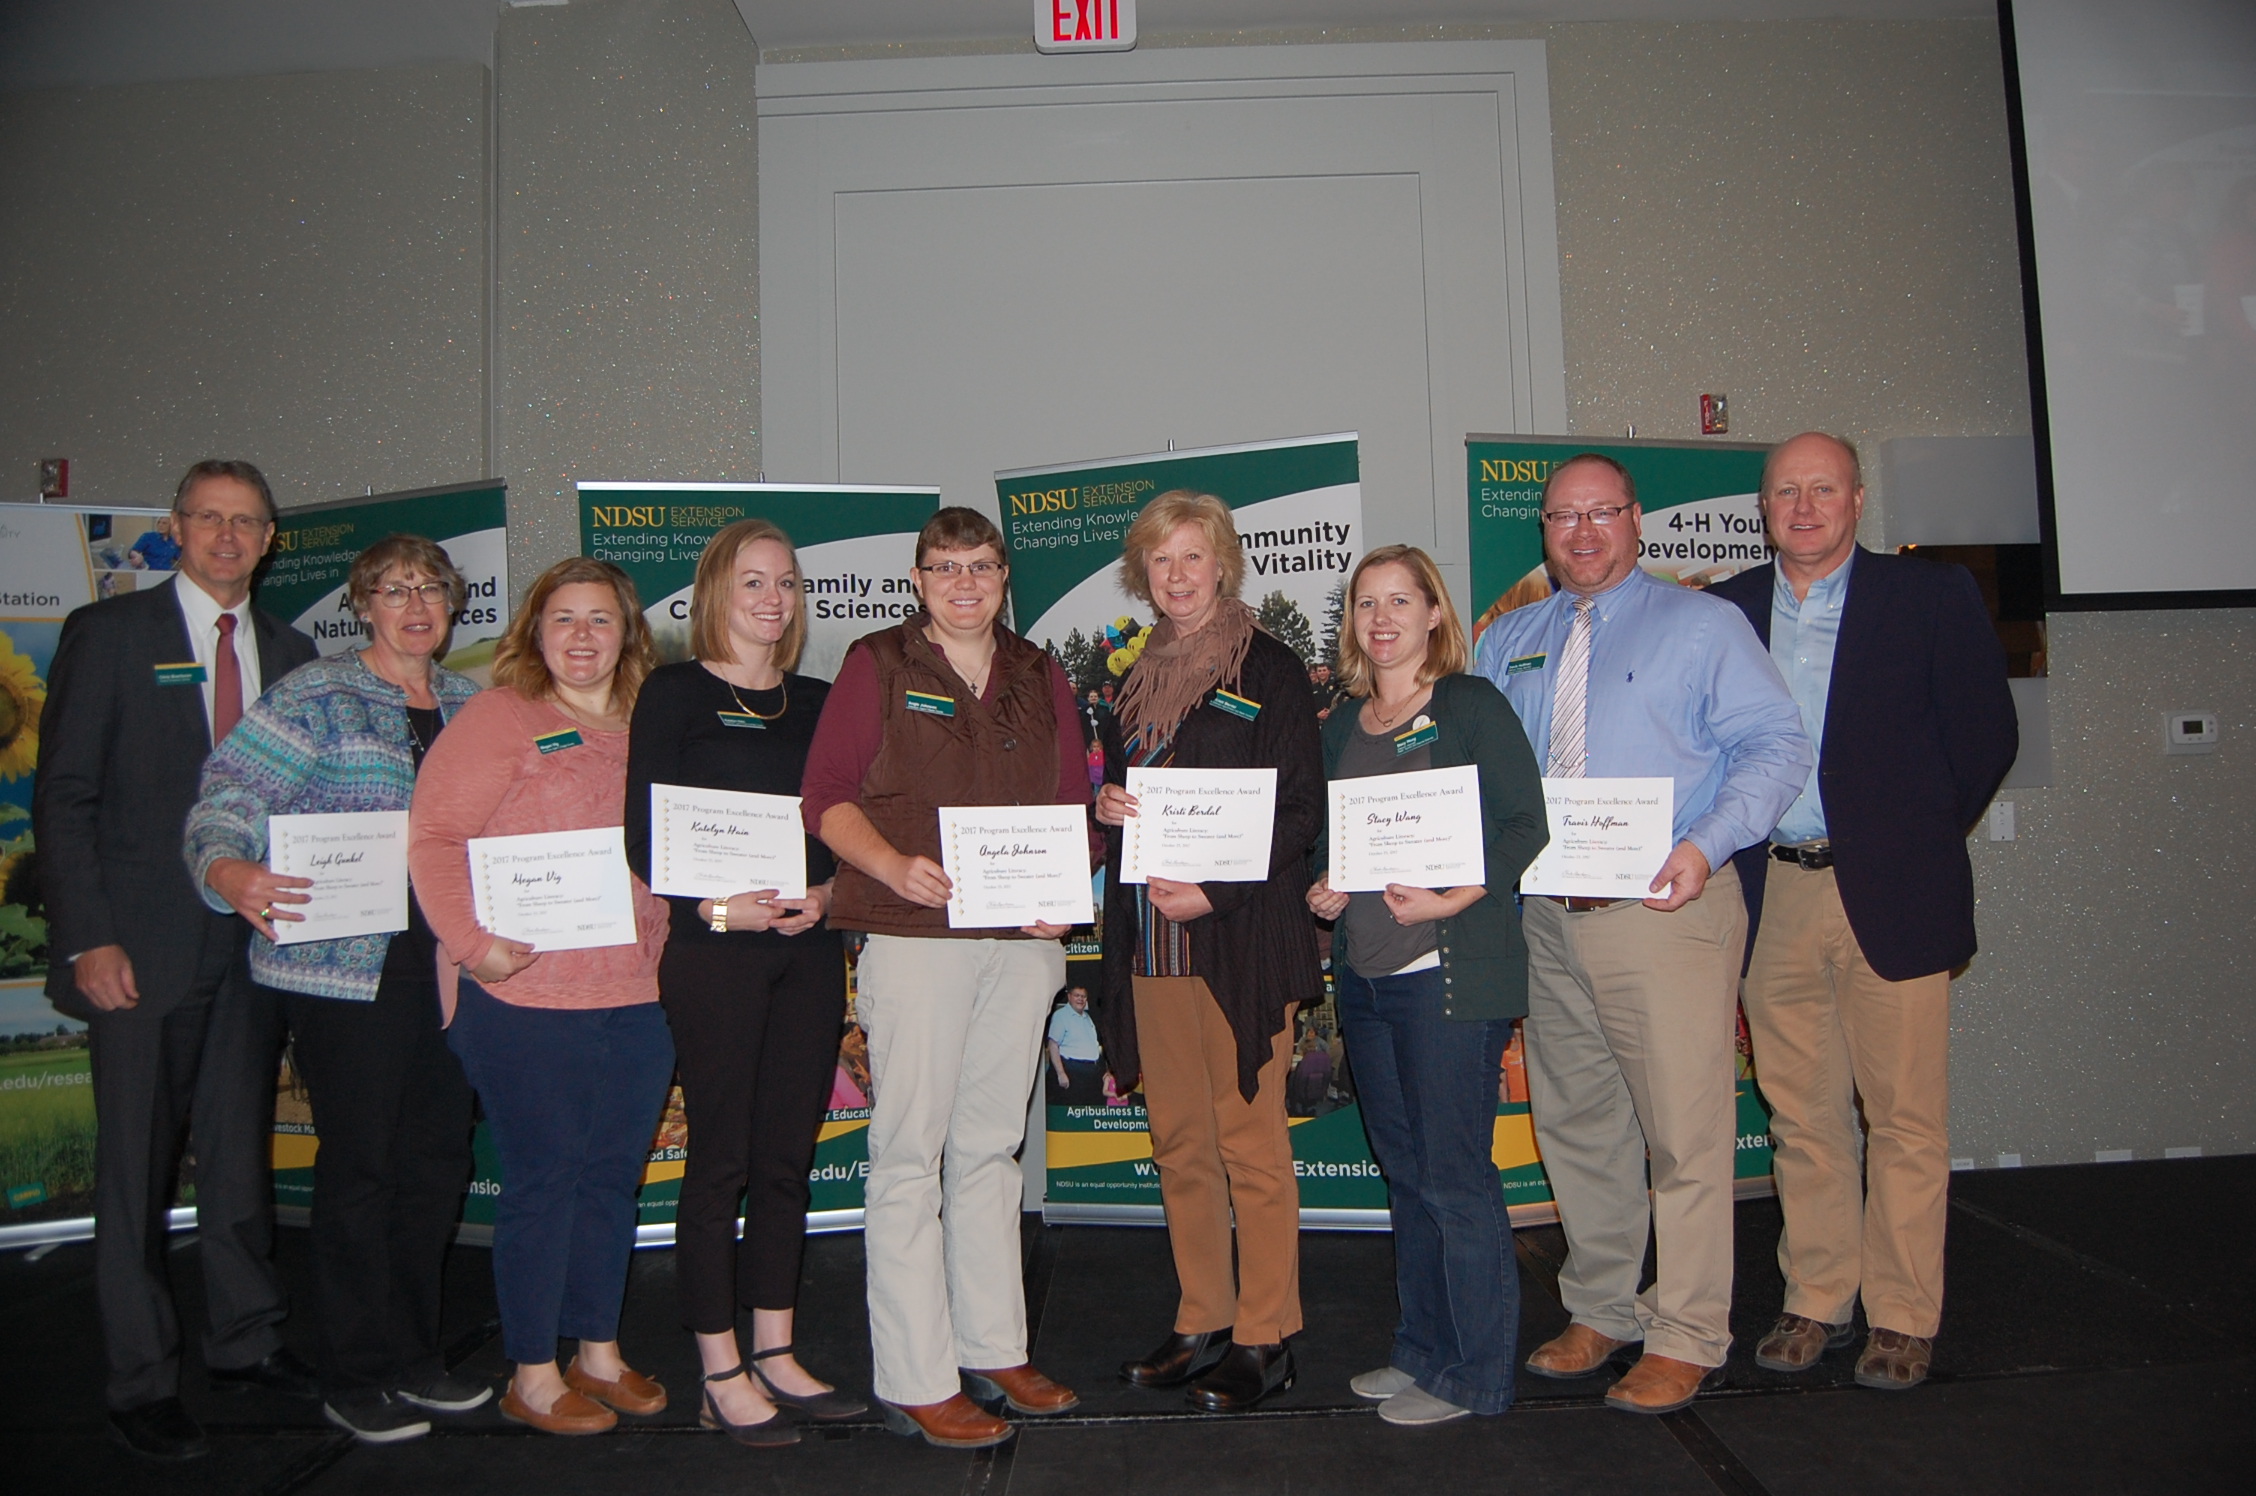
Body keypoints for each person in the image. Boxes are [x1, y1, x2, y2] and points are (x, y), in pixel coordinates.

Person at [1475, 453, 1810, 1415]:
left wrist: (1707, 846)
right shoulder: (1512, 638)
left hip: (1666, 911)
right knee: (1577, 1123)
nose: (1582, 532)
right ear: (1542, 530)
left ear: (1635, 520)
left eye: (1602, 513)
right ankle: (1603, 1308)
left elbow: (1777, 744)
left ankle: (1690, 1330)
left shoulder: (1706, 626)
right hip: (1547, 917)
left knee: (1685, 1132)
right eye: (1562, 517)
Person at [1709, 433, 2017, 1392]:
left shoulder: (1930, 598)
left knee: (1906, 1120)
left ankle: (1903, 1314)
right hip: (1774, 889)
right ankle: (1817, 1296)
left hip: (1894, 888)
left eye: (1823, 489)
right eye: (1785, 491)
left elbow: (1984, 738)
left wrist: (1909, 834)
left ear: (1856, 498)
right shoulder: (1725, 611)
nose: (1803, 506)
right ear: (1763, 507)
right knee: (1801, 1115)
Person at [35, 459, 319, 1460]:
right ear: (176, 527)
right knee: (135, 1170)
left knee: (240, 1153)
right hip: (139, 948)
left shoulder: (293, 651)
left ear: (271, 537)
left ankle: (245, 1338)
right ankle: (141, 1376)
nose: (229, 537)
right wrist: (88, 935)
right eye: (210, 519)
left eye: (248, 522)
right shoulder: (109, 636)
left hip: (257, 945)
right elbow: (62, 796)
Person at [182, 536, 485, 1444]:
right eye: (395, 589)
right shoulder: (313, 694)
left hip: (450, 967)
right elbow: (226, 791)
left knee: (436, 1160)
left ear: (452, 604)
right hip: (345, 970)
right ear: (364, 604)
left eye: (431, 588)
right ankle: (355, 1372)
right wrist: (229, 870)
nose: (415, 604)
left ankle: (413, 1354)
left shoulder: (475, 705)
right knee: (362, 1168)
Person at [802, 506, 1090, 1449]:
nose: (964, 583)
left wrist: (1062, 887)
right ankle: (919, 1375)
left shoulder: (1039, 670)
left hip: (1018, 940)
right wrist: (890, 867)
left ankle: (993, 1344)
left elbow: (1070, 801)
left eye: (980, 566)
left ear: (1005, 575)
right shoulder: (875, 664)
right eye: (943, 568)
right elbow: (827, 798)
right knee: (907, 1155)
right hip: (913, 933)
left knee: (990, 1148)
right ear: (918, 580)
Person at [407, 558, 675, 1438]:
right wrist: (472, 946)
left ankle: (596, 1349)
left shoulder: (652, 722)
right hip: (523, 996)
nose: (584, 637)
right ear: (535, 630)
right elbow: (436, 835)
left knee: (611, 1181)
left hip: (639, 992)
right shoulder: (500, 717)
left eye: (602, 620)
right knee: (542, 1183)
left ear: (627, 633)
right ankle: (529, 1369)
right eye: (565, 619)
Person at [624, 519, 864, 1447]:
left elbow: (841, 823)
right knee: (720, 1160)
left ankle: (777, 1349)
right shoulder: (672, 693)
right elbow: (649, 845)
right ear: (715, 592)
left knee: (784, 1164)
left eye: (788, 584)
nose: (773, 599)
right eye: (754, 582)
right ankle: (717, 1365)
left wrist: (832, 890)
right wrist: (732, 911)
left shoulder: (818, 700)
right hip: (715, 954)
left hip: (805, 952)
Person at [1307, 544, 1549, 1427]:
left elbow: (1526, 820)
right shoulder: (1341, 726)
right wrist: (1323, 883)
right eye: (1367, 604)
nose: (1382, 619)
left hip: (1447, 973)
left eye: (1400, 601)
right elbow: (1331, 840)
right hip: (1366, 978)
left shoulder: (1469, 704)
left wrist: (1458, 891)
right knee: (1405, 1175)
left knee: (1455, 1177)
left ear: (1435, 614)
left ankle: (1476, 1375)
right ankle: (1422, 1352)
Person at [1094, 490, 1325, 1414]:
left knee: (1249, 1144)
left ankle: (1267, 1337)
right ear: (1142, 575)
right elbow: (1132, 795)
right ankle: (1203, 1317)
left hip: (1236, 945)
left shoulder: (1267, 668)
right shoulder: (1131, 673)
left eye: (1193, 556)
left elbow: (1298, 810)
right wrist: (1106, 808)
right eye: (1161, 560)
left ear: (1221, 563)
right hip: (1149, 945)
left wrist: (1217, 892)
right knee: (1180, 1143)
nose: (1178, 575)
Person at [1045, 985, 1104, 1106]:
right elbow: (1053, 1045)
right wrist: (1061, 1073)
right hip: (1072, 1072)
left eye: (1083, 996)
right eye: (1077, 995)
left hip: (1091, 1074)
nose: (1080, 999)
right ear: (1069, 997)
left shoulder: (1087, 1018)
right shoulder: (1061, 1016)